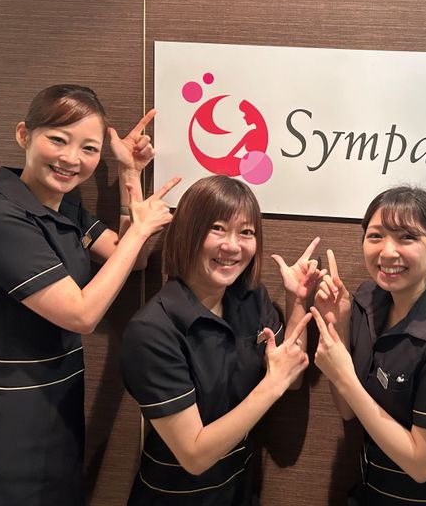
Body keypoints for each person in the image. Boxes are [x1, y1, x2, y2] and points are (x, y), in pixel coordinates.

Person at [0, 84, 178, 505]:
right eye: (58, 139)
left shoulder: (61, 207)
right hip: (7, 421)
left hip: (58, 409)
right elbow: (81, 314)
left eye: (89, 148)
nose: (72, 158)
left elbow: (130, 259)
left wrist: (130, 174)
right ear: (24, 135)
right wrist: (141, 229)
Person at [120, 175, 322, 505]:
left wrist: (297, 300)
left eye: (246, 232)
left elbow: (292, 377)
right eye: (217, 228)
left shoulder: (251, 297)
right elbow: (194, 455)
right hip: (176, 496)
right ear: (187, 231)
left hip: (239, 486)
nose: (232, 246)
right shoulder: (153, 330)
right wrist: (271, 385)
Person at [311, 185, 426, 505]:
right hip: (371, 490)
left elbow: (421, 466)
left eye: (407, 237)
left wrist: (343, 376)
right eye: (376, 236)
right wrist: (342, 324)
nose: (388, 252)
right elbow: (348, 411)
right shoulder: (368, 299)